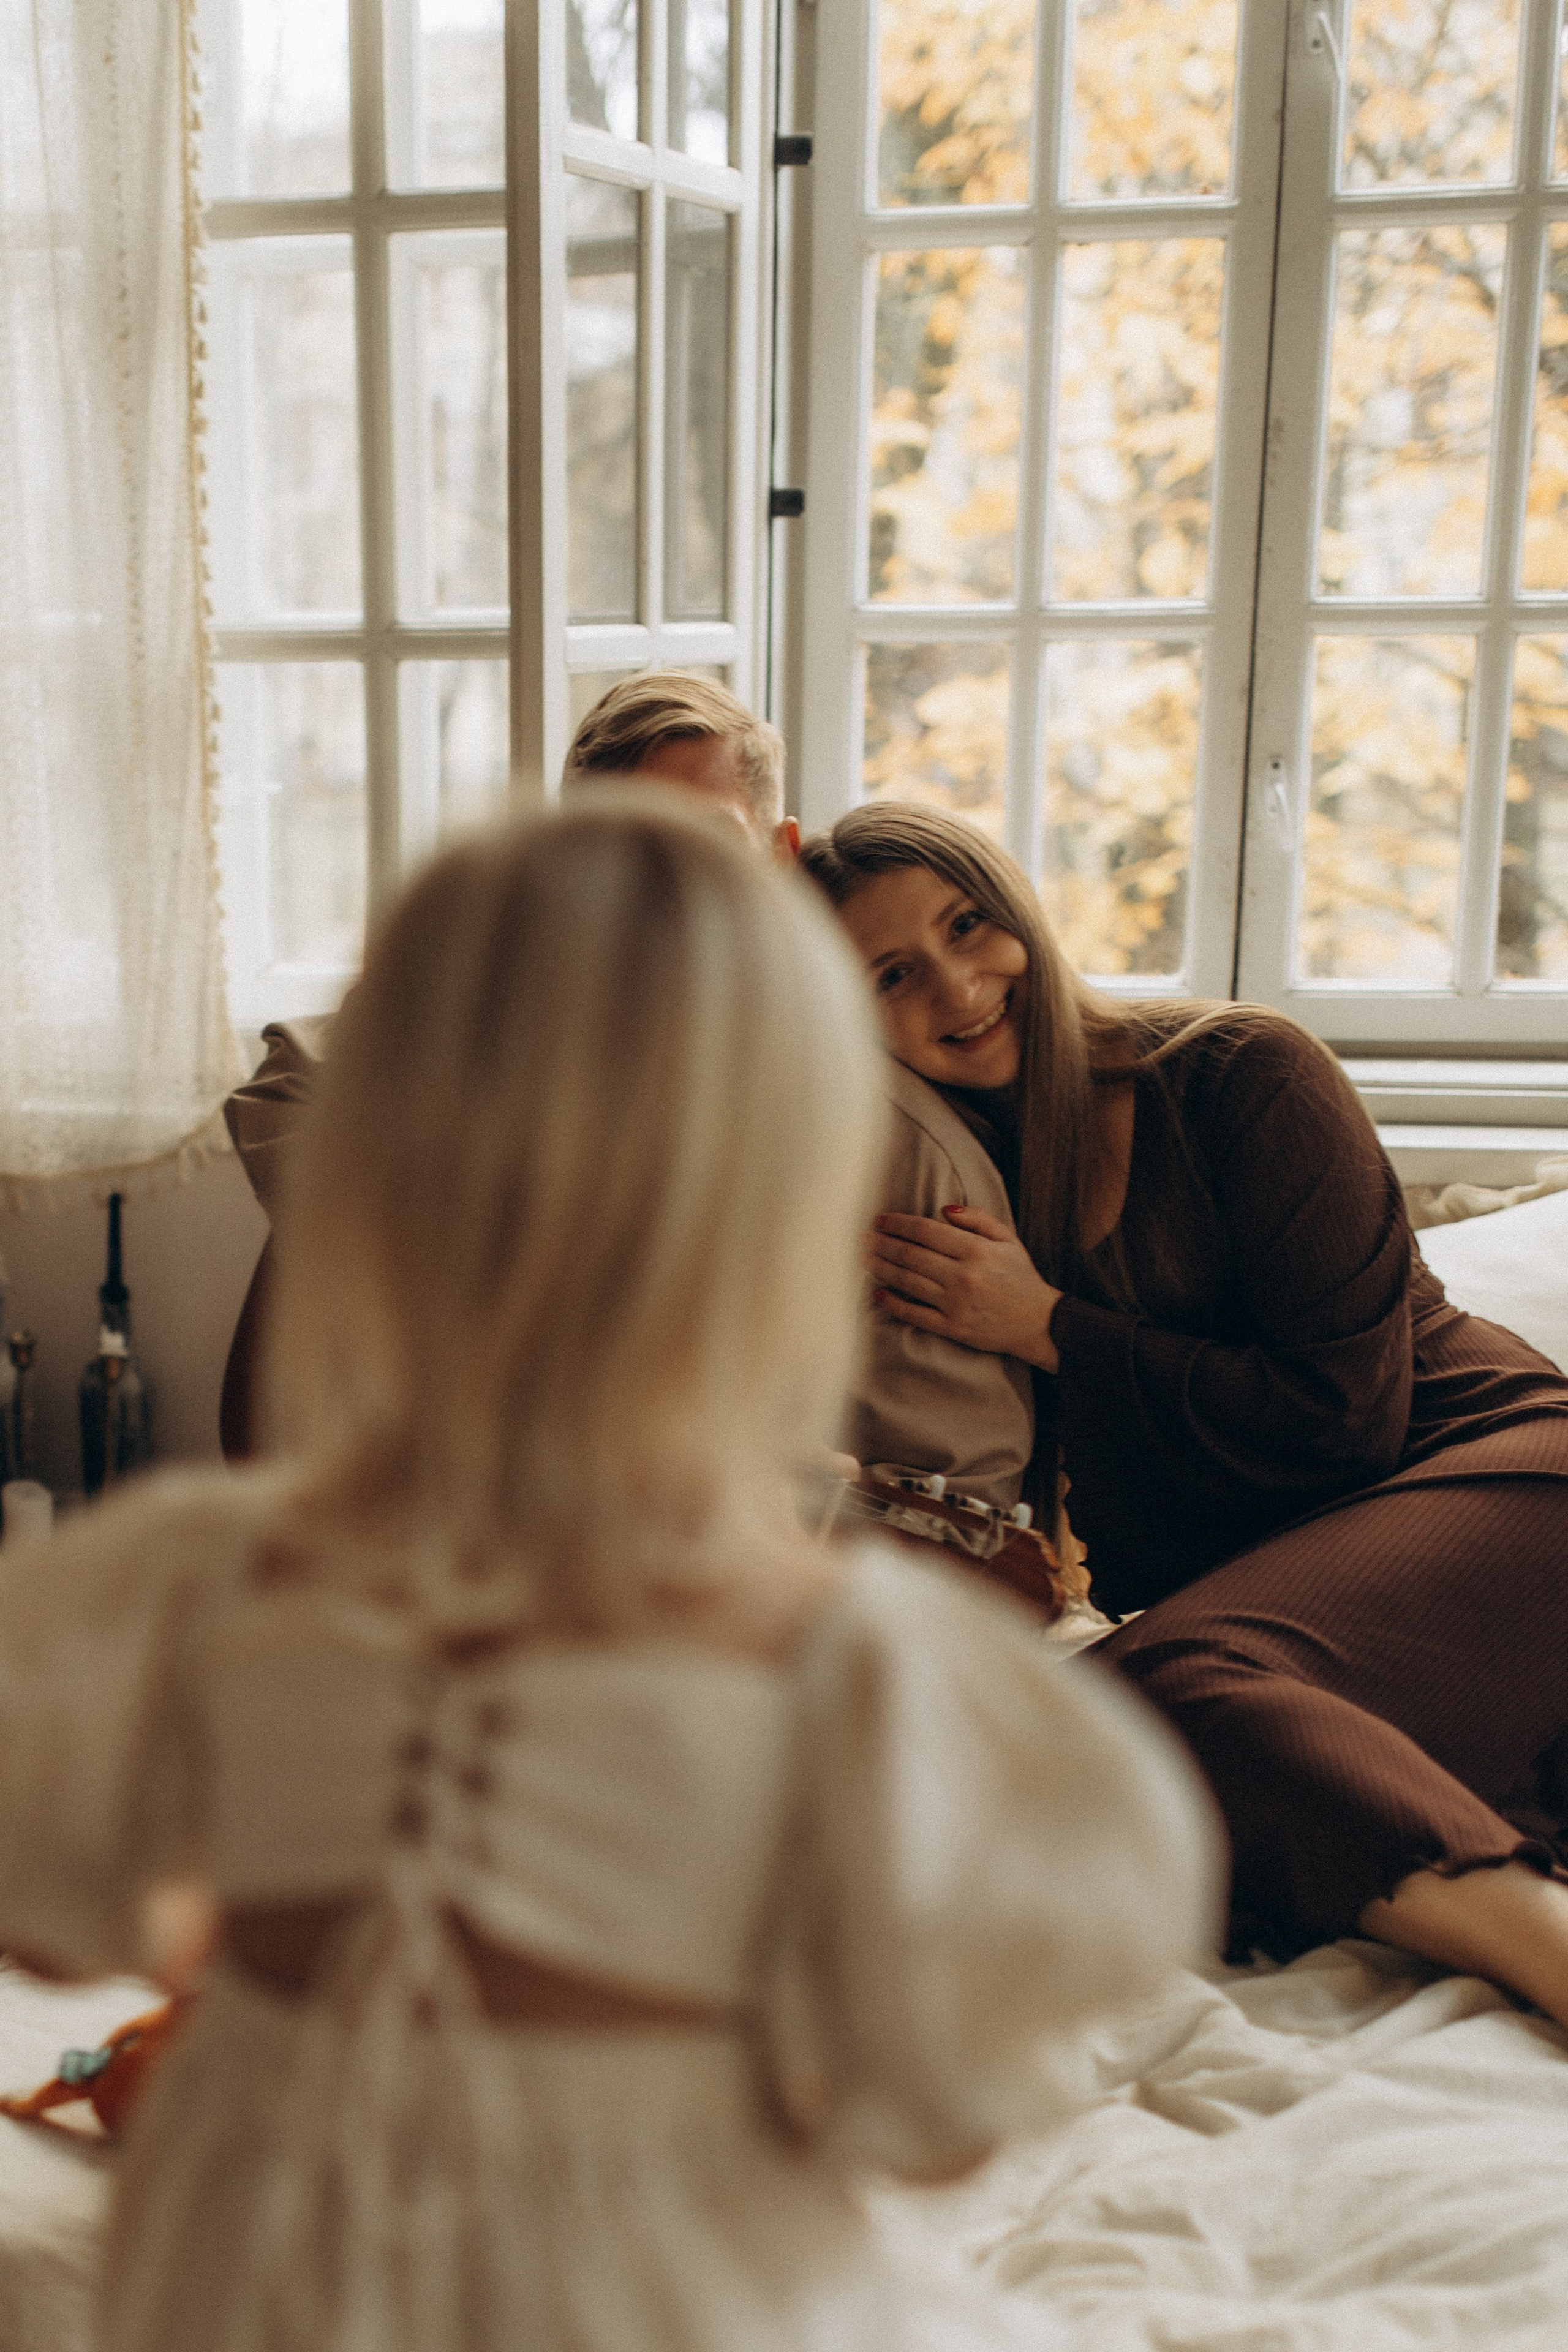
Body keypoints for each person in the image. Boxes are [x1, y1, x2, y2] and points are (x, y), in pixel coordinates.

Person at [0, 797, 1218, 2352]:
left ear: (367, 1175)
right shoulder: (854, 1675)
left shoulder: (177, 1584)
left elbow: (56, 1926)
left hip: (248, 2292)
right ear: (786, 1216)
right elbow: (934, 2123)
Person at [801, 799, 1568, 2030]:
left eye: (967, 925)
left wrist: (1048, 1324)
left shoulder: (1237, 1073)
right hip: (1323, 1616)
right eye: (893, 973)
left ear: (1021, 916)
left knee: (1165, 1687)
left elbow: (1344, 1417)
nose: (955, 986)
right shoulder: (947, 1182)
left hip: (1501, 1477)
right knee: (1048, 1761)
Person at [222, 676, 1036, 1506]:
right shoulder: (508, 1031)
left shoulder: (907, 1155)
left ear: (780, 856)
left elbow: (962, 1502)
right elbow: (293, 1080)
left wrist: (768, 1500)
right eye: (628, 861)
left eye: (709, 845)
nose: (665, 896)